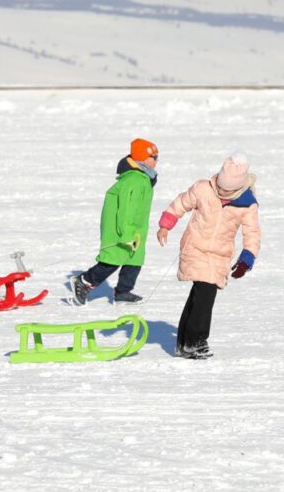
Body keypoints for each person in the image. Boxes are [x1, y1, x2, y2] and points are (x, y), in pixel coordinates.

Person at [156, 153, 261, 359]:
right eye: (220, 187)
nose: (221, 192)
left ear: (238, 187)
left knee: (200, 293)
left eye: (227, 190)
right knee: (205, 292)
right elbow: (181, 203)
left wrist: (246, 259)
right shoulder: (204, 188)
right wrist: (165, 225)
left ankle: (184, 343)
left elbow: (253, 233)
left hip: (219, 254)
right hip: (195, 246)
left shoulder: (247, 203)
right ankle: (195, 342)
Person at [71, 138, 159, 305]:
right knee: (113, 259)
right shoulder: (134, 180)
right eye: (153, 157)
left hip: (136, 228)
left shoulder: (143, 178)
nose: (156, 160)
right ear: (142, 158)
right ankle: (84, 280)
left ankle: (123, 291)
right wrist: (127, 233)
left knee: (134, 260)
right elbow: (126, 210)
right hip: (122, 228)